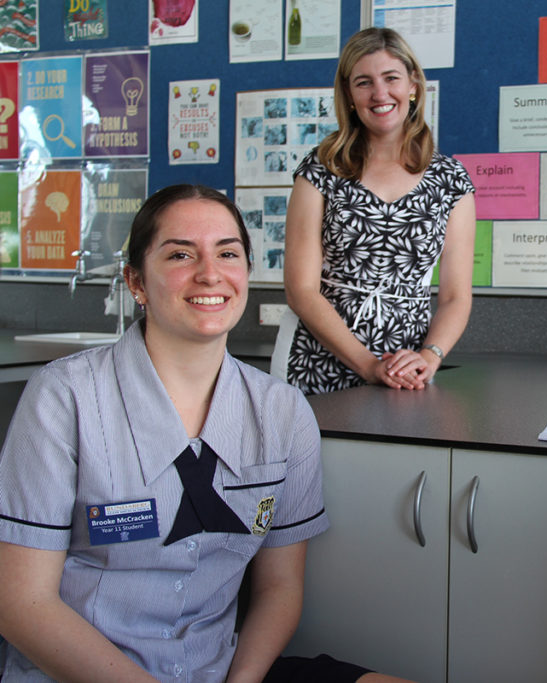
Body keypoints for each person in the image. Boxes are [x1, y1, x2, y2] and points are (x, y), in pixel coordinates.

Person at [0, 185, 411, 683]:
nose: (210, 274)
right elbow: (21, 603)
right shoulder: (64, 397)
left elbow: (279, 587)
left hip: (220, 669)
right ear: (136, 282)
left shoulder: (282, 411)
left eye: (228, 253)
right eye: (180, 254)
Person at [273, 27, 476, 395]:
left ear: (413, 85)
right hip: (318, 365)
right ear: (349, 94)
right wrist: (367, 365)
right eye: (364, 82)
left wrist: (429, 357)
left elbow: (455, 296)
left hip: (407, 373)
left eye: (391, 78)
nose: (380, 94)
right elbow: (301, 289)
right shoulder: (321, 170)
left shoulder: (451, 179)